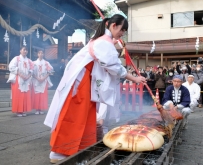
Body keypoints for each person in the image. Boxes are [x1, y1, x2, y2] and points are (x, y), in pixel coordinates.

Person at [44, 14, 146, 163]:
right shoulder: (104, 42)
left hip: (87, 79)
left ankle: (80, 146)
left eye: (124, 31)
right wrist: (135, 78)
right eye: (122, 29)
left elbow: (112, 65)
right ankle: (61, 150)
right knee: (74, 113)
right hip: (82, 80)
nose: (122, 33)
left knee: (86, 113)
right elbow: (114, 67)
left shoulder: (102, 40)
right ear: (113, 25)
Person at [7, 46, 34, 117]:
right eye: (24, 50)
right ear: (20, 51)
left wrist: (28, 76)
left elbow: (32, 69)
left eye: (26, 50)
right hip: (18, 79)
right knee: (18, 95)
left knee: (25, 95)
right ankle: (18, 111)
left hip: (26, 80)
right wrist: (20, 75)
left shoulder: (29, 61)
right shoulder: (16, 58)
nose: (25, 51)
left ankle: (23, 110)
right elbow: (11, 67)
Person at [32, 50, 53, 115]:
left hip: (44, 80)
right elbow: (31, 72)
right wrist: (37, 78)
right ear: (37, 54)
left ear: (43, 54)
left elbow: (50, 71)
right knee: (37, 95)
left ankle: (41, 108)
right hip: (36, 80)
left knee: (42, 95)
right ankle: (37, 109)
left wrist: (44, 78)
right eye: (39, 53)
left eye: (42, 53)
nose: (40, 54)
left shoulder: (46, 63)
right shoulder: (33, 63)